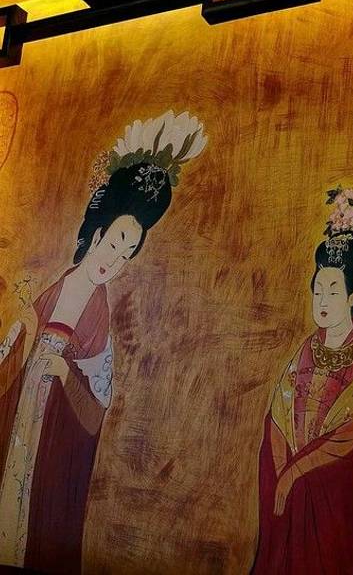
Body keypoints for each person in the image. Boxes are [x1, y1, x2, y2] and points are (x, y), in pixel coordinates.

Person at [0, 110, 207, 574]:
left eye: (127, 253)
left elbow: (99, 397)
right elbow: (21, 337)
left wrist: (63, 371)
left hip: (49, 427)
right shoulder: (63, 284)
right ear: (97, 231)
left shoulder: (99, 309)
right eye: (115, 244)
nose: (115, 261)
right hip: (22, 415)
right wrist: (23, 338)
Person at [252, 185, 353, 574]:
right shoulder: (307, 348)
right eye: (318, 290)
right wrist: (281, 466)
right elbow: (279, 414)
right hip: (292, 470)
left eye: (333, 291)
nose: (322, 301)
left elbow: (347, 440)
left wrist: (296, 472)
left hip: (332, 482)